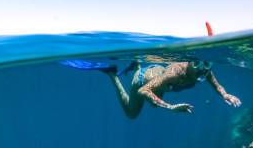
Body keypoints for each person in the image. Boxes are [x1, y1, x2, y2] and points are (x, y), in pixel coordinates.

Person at [102, 22, 241, 118]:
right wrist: (170, 107)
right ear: (190, 61)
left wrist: (225, 95)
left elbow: (216, 85)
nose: (201, 70)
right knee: (132, 114)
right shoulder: (176, 72)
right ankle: (113, 74)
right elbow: (143, 90)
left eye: (206, 65)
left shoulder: (204, 71)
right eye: (197, 64)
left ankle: (137, 64)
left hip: (158, 76)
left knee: (154, 105)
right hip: (141, 80)